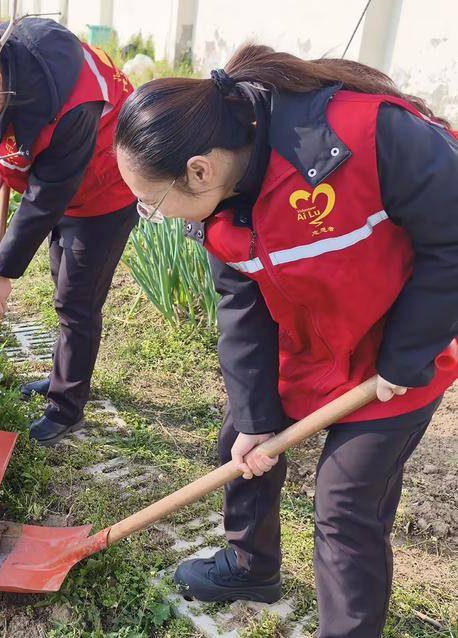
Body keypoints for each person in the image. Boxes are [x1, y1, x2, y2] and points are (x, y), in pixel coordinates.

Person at [113, 44, 458, 637]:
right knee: (244, 443)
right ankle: (250, 566)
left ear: (198, 168)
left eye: (152, 202)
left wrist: (407, 354)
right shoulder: (219, 208)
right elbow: (240, 304)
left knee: (347, 505)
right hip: (308, 346)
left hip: (396, 354)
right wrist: (253, 415)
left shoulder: (362, 135)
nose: (153, 213)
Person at [0, 10, 138, 446]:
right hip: (63, 181)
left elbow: (48, 195)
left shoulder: (70, 99)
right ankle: (62, 377)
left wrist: (3, 270)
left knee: (77, 298)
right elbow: (7, 132)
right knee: (63, 282)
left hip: (104, 187)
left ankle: (66, 406)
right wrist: (4, 163)